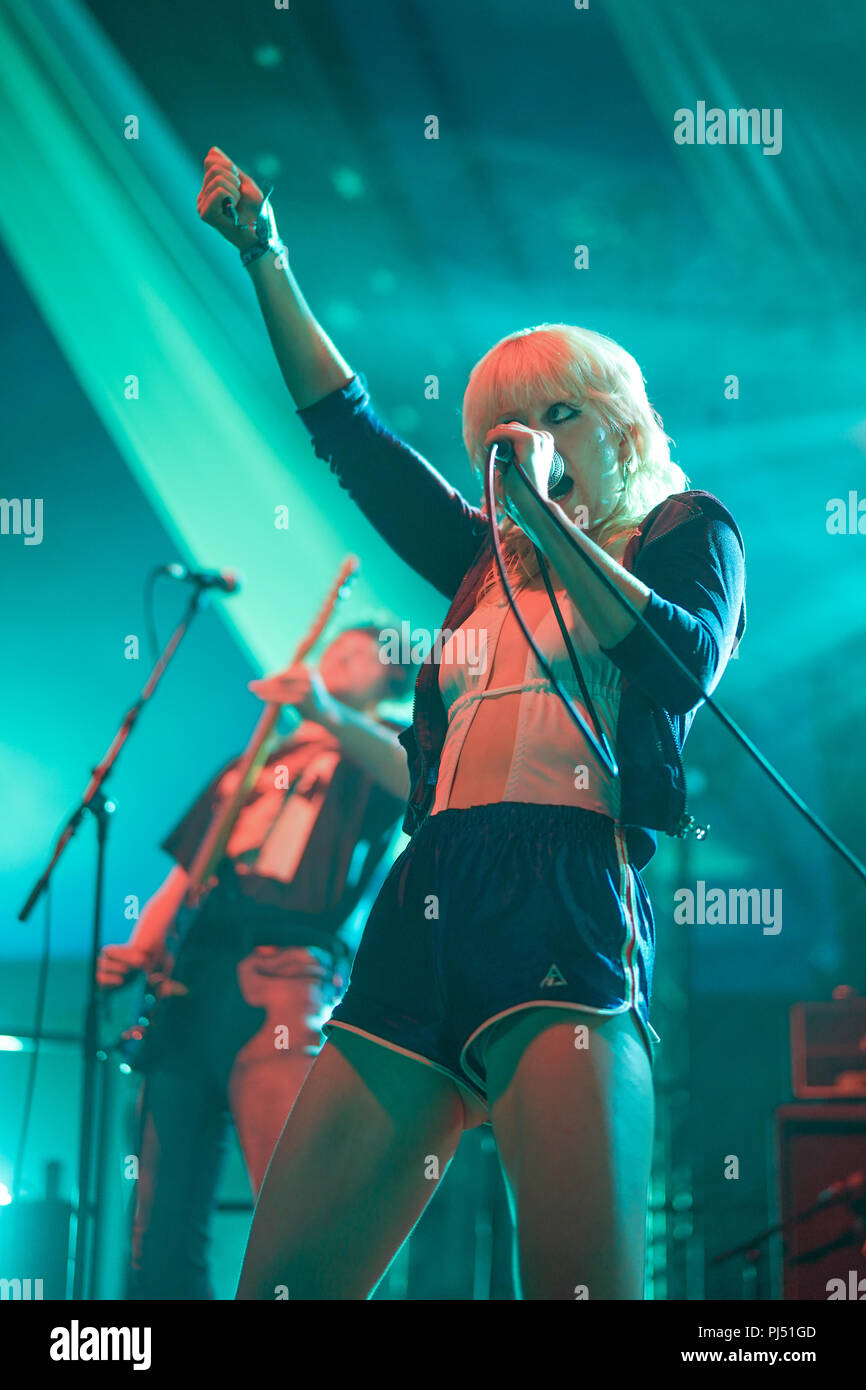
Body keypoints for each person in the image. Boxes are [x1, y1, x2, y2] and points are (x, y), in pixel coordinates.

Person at [197, 147, 746, 1301]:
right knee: (285, 1282)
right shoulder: (471, 568)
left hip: (565, 884)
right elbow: (349, 435)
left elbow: (678, 662)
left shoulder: (685, 528)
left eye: (557, 414)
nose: (527, 440)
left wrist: (549, 526)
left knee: (578, 1281)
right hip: (432, 887)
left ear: (619, 421)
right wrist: (268, 259)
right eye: (503, 428)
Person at [97, 625, 413, 1298]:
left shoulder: (379, 749)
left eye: (360, 653)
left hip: (285, 973)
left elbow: (418, 783)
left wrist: (329, 712)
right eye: (334, 649)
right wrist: (142, 947)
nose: (336, 657)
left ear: (396, 677)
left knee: (296, 1194)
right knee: (157, 1223)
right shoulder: (252, 761)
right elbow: (186, 876)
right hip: (188, 984)